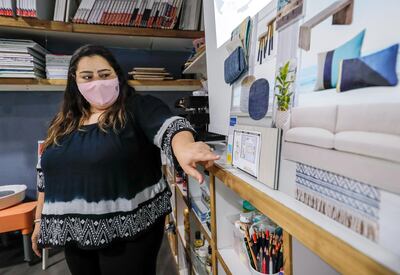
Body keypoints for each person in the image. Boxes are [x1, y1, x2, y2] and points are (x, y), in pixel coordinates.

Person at [30, 45, 219, 275]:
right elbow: (46, 176)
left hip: (129, 234)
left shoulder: (137, 107)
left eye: (104, 74)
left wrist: (185, 147)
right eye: (87, 77)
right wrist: (40, 221)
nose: (97, 83)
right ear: (75, 81)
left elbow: (170, 126)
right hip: (74, 235)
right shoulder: (63, 123)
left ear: (117, 75)